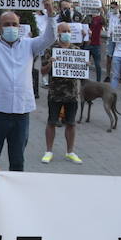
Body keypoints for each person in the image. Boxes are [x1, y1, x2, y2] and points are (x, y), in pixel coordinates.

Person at [0, 0, 56, 171]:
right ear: (0, 27)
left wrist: (50, 13)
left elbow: (50, 37)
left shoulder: (29, 45)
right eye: (7, 24)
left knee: (17, 161)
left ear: (19, 26)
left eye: (14, 24)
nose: (11, 27)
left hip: (21, 114)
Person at [40, 22, 83, 164]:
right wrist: (50, 64)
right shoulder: (51, 50)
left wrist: (85, 66)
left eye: (68, 31)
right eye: (64, 31)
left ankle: (70, 152)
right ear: (58, 32)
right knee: (51, 122)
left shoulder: (76, 49)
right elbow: (43, 72)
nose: (66, 33)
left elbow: (82, 72)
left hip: (72, 94)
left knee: (71, 124)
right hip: (55, 92)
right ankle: (48, 151)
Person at [87, 7, 105, 80]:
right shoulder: (87, 18)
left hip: (96, 44)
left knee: (97, 64)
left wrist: (102, 12)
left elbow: (104, 22)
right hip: (87, 44)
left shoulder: (99, 19)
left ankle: (98, 81)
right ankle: (84, 79)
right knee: (85, 63)